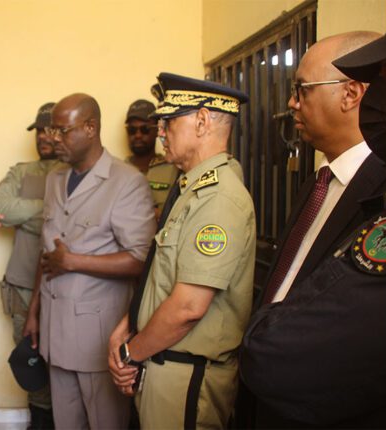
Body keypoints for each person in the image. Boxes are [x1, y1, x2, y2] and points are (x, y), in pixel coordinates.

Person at [238, 31, 386, 428]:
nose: (292, 103)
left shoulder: (385, 190)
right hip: (268, 391)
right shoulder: (317, 182)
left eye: (302, 89)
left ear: (350, 94)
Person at [108, 72, 255, 429]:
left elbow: (189, 307)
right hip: (162, 361)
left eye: (169, 122)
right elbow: (160, 275)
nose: (160, 133)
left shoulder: (218, 198)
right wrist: (129, 324)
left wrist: (130, 353)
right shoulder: (191, 188)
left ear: (202, 121)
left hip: (184, 375)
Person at [24, 93, 156, 429]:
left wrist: (74, 262)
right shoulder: (55, 178)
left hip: (98, 340)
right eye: (51, 130)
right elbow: (47, 253)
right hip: (55, 333)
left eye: (63, 131)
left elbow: (141, 259)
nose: (54, 138)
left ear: (91, 128)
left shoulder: (126, 182)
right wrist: (34, 310)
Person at [0, 102, 64, 429]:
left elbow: (75, 216)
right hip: (22, 285)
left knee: (63, 361)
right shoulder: (21, 172)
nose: (44, 137)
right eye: (39, 131)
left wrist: (26, 216)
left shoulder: (71, 171)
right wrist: (49, 212)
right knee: (31, 359)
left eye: (50, 130)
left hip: (64, 285)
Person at [124, 99, 180, 219]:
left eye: (145, 129)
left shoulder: (174, 170)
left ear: (157, 130)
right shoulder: (117, 172)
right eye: (132, 130)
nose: (138, 135)